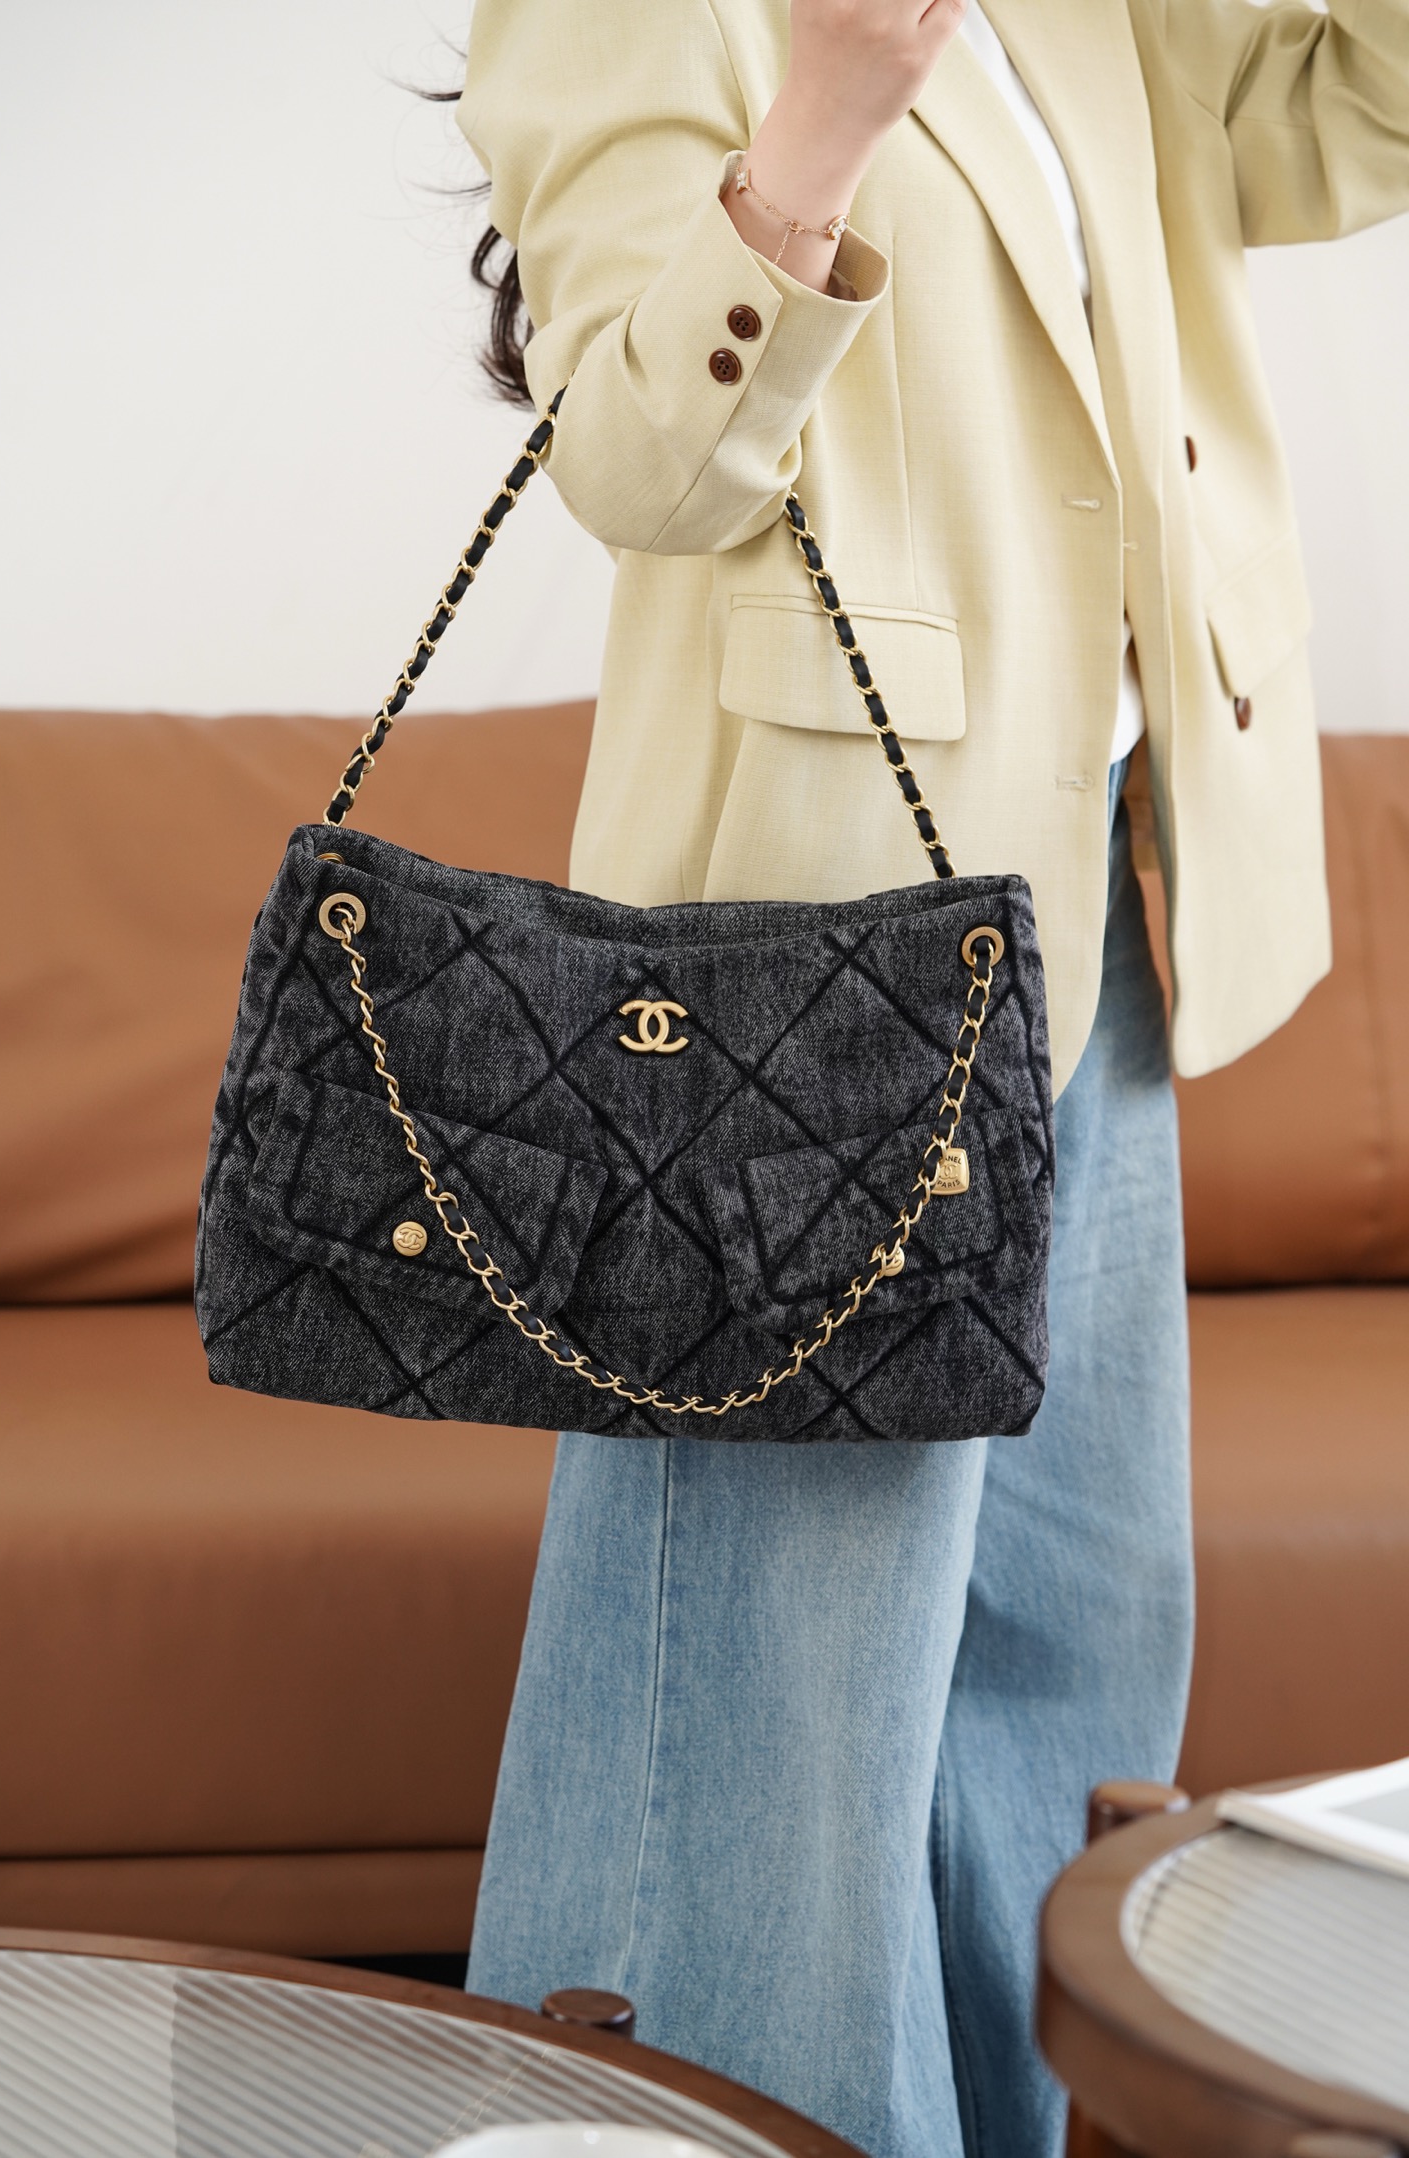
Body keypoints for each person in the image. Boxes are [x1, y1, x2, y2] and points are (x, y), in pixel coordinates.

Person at [451, 3, 1409, 2152]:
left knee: (1060, 1662)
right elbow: (638, 464)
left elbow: (1365, 108)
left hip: (1093, 943)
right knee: (774, 1729)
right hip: (823, 972)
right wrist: (828, 111)